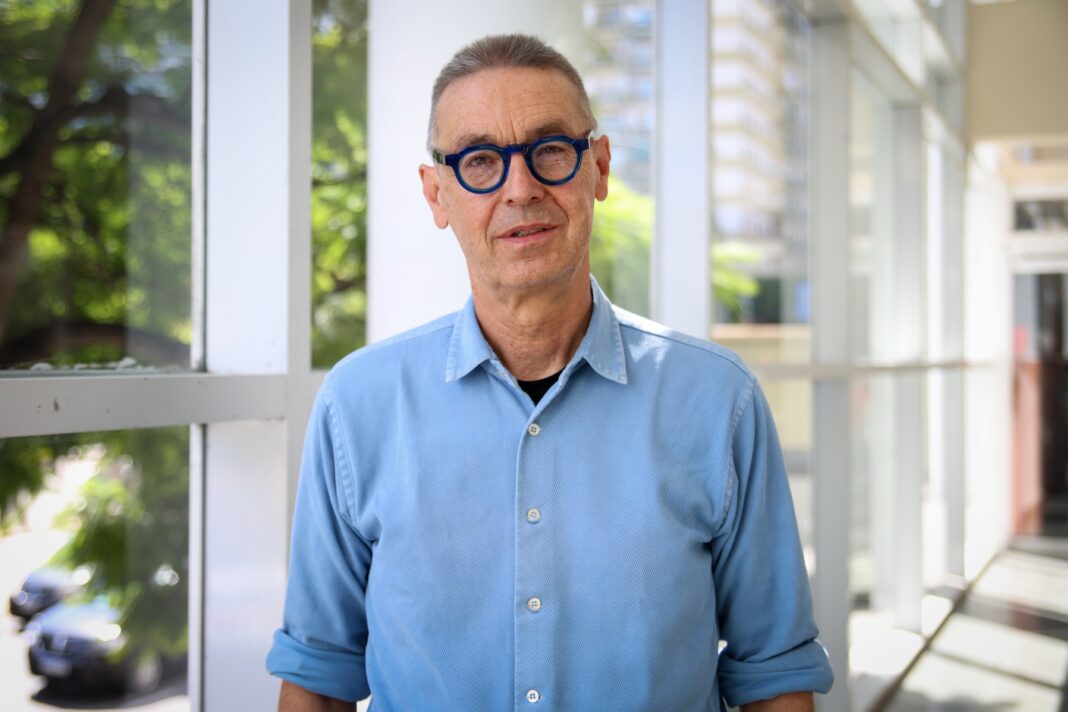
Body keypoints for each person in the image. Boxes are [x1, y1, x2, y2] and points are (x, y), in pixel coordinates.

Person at [266, 33, 833, 712]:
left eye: (550, 151)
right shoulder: (356, 407)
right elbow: (317, 681)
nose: (520, 188)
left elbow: (775, 675)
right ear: (436, 193)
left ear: (598, 167)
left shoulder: (718, 402)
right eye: (479, 161)